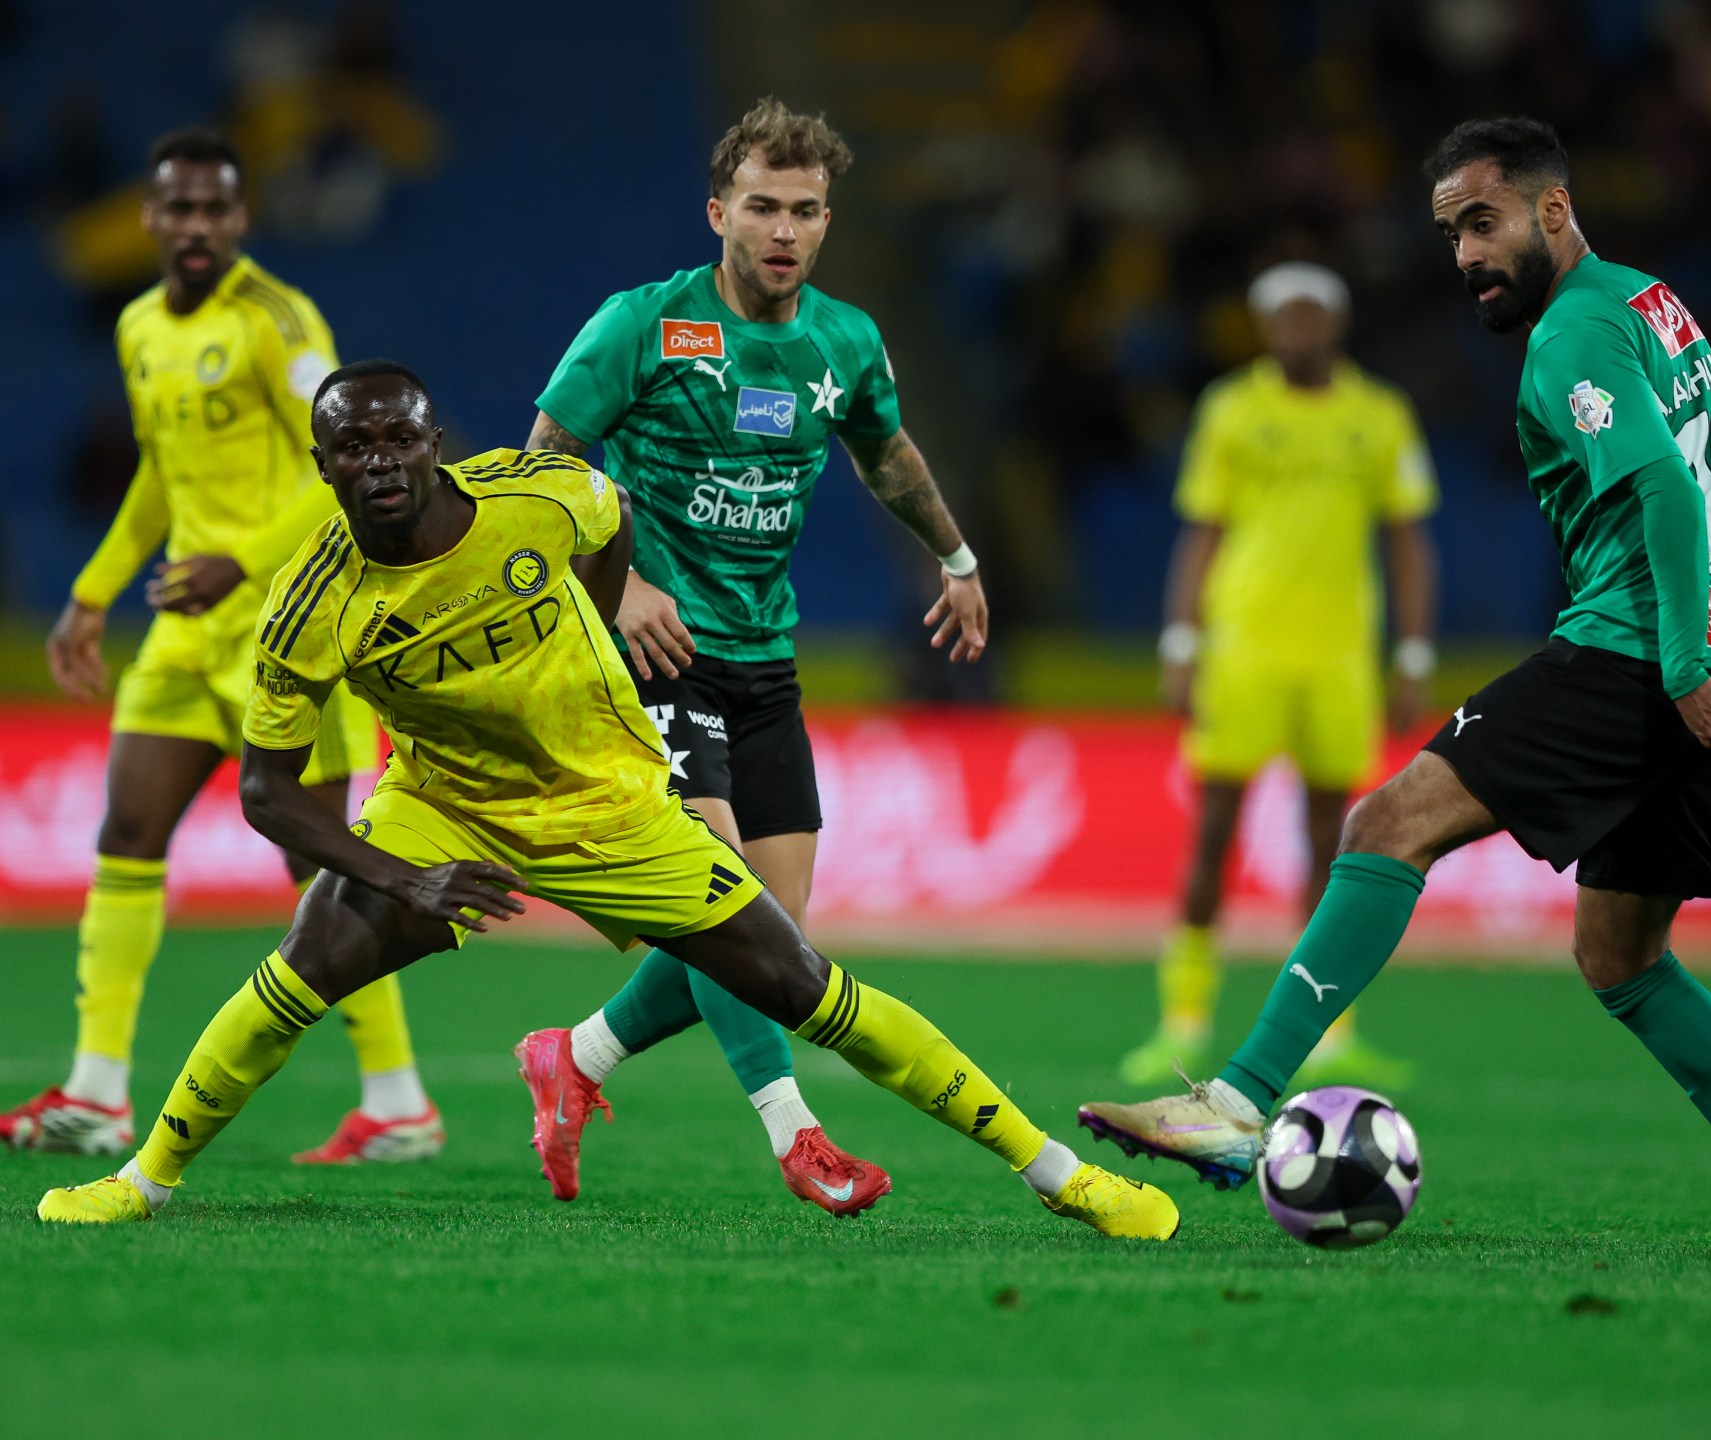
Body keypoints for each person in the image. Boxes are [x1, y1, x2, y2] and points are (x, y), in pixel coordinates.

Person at [35, 362, 1175, 1243]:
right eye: (353, 447)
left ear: (435, 445)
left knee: (806, 987)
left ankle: (1063, 1177)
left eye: (398, 439)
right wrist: (406, 877)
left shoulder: (541, 497)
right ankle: (142, 1181)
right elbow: (267, 792)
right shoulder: (311, 603)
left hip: (610, 800)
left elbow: (611, 521)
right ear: (321, 464)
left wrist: (595, 632)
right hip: (447, 808)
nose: (378, 462)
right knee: (297, 972)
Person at [1078, 118, 1711, 1261]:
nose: (1467, 255)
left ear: (1554, 209)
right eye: (1453, 233)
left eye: (1485, 223)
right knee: (1623, 958)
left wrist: (1679, 668)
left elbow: (1661, 482)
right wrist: (1708, 664)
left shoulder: (1574, 330)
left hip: (1644, 648)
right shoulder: (1654, 304)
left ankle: (1237, 1102)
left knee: (1386, 823)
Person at [515, 98, 988, 1216]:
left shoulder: (845, 340)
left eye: (806, 211)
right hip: (654, 652)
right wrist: (621, 586)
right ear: (718, 212)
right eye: (763, 206)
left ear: (827, 221)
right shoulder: (642, 324)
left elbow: (886, 451)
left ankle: (575, 1056)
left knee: (767, 938)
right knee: (724, 904)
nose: (784, 230)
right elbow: (539, 467)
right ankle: (798, 1136)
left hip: (765, 658)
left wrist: (957, 558)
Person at [1, 127, 439, 1167]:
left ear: (241, 219)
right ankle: (98, 1092)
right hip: (184, 635)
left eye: (214, 210)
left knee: (315, 861)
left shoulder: (279, 323)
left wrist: (238, 563)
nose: (196, 226)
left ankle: (398, 1102)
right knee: (127, 832)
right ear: (149, 218)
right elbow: (161, 473)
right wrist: (91, 595)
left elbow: (340, 472)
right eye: (179, 209)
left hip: (289, 630)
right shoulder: (140, 326)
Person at [1119, 261, 1438, 1091]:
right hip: (1243, 650)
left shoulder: (1379, 415)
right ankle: (1182, 1022)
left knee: (1336, 846)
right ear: (1265, 328)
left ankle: (1330, 1033)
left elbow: (1407, 539)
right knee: (1213, 831)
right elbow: (1202, 529)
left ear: (1335, 322)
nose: (1296, 329)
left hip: (1339, 655)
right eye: (1282, 316)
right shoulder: (1232, 409)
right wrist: (1181, 641)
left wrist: (1412, 652)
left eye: (1309, 314)